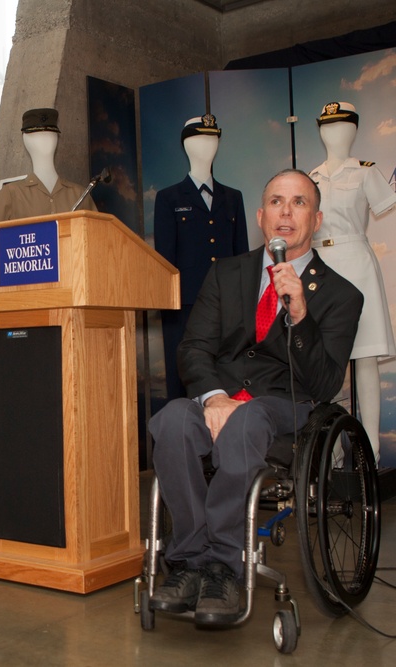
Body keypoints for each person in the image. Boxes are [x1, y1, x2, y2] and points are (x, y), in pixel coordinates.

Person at [147, 169, 363, 625]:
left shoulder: (343, 295)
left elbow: (325, 384)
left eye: (299, 203)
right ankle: (188, 561)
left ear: (317, 218)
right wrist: (214, 397)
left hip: (286, 407)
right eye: (277, 202)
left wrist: (300, 316)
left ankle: (226, 565)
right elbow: (195, 348)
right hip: (222, 397)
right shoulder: (226, 274)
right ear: (261, 217)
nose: (286, 212)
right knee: (171, 420)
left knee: (249, 421)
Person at [309, 101, 396, 464]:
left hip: (356, 264)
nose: (333, 133)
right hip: (319, 267)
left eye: (340, 126)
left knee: (364, 359)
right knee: (319, 358)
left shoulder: (365, 171)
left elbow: (381, 206)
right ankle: (327, 457)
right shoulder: (309, 178)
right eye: (326, 126)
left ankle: (369, 454)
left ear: (354, 129)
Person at [154, 115, 249, 399]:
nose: (208, 145)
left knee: (227, 374)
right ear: (186, 145)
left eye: (213, 138)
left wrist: (241, 301)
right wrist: (170, 303)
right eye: (200, 139)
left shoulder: (233, 197)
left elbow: (241, 254)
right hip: (183, 304)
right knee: (182, 374)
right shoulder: (169, 198)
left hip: (226, 304)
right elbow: (165, 260)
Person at [0, 108, 97, 224]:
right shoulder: (11, 194)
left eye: (50, 135)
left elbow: (99, 234)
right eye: (36, 136)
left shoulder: (80, 195)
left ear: (57, 138)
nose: (45, 141)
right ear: (26, 140)